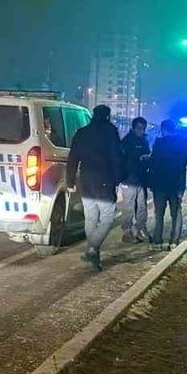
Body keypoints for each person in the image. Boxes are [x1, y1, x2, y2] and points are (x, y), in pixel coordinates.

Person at [65, 104, 124, 271]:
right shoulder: (111, 132)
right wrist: (118, 179)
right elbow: (117, 157)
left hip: (86, 181)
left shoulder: (82, 132)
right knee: (107, 217)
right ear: (108, 116)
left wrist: (70, 181)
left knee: (90, 218)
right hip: (105, 180)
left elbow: (72, 158)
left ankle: (94, 254)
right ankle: (93, 248)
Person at [147, 119, 187, 250]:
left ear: (163, 129)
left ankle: (157, 242)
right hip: (176, 184)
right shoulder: (183, 142)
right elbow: (183, 165)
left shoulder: (159, 143)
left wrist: (151, 182)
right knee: (176, 213)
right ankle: (174, 241)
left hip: (160, 184)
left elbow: (153, 164)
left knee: (159, 214)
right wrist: (181, 187)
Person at [118, 116, 152, 243]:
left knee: (142, 205)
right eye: (139, 128)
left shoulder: (144, 140)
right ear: (133, 128)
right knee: (129, 205)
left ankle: (141, 228)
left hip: (141, 178)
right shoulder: (126, 141)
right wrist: (138, 158)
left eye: (143, 129)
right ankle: (127, 231)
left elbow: (147, 154)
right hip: (129, 179)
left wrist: (147, 159)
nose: (141, 131)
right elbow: (122, 160)